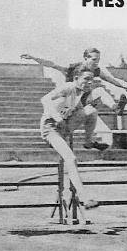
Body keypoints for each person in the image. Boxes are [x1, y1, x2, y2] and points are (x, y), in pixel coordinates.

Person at [21, 48, 127, 149]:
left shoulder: (96, 70)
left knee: (99, 92)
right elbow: (52, 64)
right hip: (69, 99)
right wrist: (34, 58)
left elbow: (113, 80)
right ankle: (88, 140)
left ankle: (115, 109)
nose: (96, 63)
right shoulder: (74, 67)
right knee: (94, 101)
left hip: (82, 101)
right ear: (86, 58)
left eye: (99, 60)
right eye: (94, 59)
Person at [40, 71, 101, 216]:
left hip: (64, 127)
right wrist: (57, 117)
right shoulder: (68, 87)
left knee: (91, 110)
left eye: (91, 80)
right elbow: (44, 99)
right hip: (50, 127)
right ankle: (84, 197)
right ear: (76, 79)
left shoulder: (78, 95)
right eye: (86, 79)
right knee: (71, 159)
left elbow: (82, 113)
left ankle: (88, 141)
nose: (89, 83)